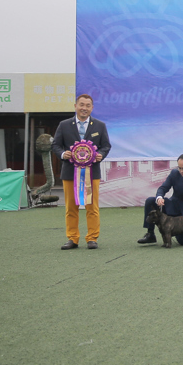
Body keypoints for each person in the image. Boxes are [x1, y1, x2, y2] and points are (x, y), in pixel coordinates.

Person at [52, 94, 111, 250]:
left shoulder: (100, 125)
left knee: (92, 208)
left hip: (92, 173)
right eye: (82, 105)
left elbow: (106, 146)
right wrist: (63, 154)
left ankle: (92, 238)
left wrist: (100, 155)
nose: (84, 108)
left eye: (88, 105)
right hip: (69, 173)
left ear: (92, 108)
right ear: (75, 106)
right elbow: (55, 145)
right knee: (71, 208)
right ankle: (72, 238)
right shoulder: (64, 125)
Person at [138, 153, 183, 245]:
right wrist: (159, 198)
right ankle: (150, 234)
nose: (181, 171)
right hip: (172, 207)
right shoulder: (174, 173)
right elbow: (163, 188)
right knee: (151, 201)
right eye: (179, 168)